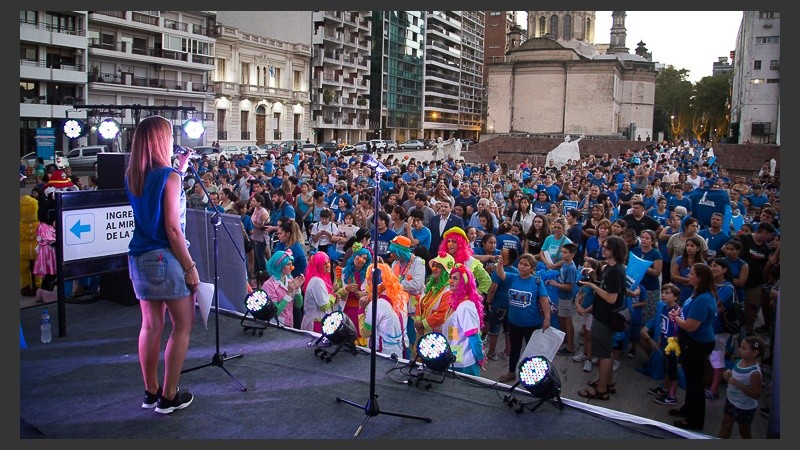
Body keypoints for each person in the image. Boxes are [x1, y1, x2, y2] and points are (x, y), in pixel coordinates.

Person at [124, 115, 198, 414]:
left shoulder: (133, 175)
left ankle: (150, 392)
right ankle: (169, 396)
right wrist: (190, 266)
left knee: (151, 325)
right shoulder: (169, 177)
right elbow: (171, 229)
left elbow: (153, 204)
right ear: (162, 140)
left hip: (138, 257)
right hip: (164, 257)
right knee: (183, 325)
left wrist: (178, 171)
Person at [668, 263, 718, 430]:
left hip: (698, 344)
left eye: (691, 274)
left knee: (695, 383)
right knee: (691, 380)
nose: (688, 276)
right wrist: (678, 313)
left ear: (700, 278)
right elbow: (687, 313)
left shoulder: (703, 299)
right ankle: (688, 408)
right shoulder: (698, 293)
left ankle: (695, 420)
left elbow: (690, 326)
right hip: (691, 341)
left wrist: (676, 319)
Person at [577, 235, 627, 401]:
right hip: (604, 315)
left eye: (606, 247)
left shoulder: (615, 271)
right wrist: (596, 279)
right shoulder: (610, 268)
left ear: (615, 251)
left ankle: (601, 390)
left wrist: (592, 285)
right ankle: (608, 382)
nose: (602, 249)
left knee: (603, 355)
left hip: (605, 317)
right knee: (608, 352)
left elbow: (611, 298)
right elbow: (606, 287)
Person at [495, 252, 551, 384]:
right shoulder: (512, 278)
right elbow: (501, 274)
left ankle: (533, 374)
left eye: (526, 265)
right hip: (514, 323)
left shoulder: (537, 282)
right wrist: (500, 263)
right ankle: (511, 372)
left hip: (532, 324)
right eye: (520, 263)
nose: (522, 267)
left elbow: (544, 301)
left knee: (532, 350)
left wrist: (547, 318)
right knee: (515, 349)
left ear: (532, 268)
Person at [442, 263, 487, 376]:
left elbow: (474, 337)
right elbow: (456, 331)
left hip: (465, 364)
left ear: (464, 283)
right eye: (451, 278)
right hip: (456, 358)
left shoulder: (466, 306)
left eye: (455, 278)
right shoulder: (457, 302)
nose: (450, 281)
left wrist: (480, 358)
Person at [358, 262, 410, 359]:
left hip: (382, 356)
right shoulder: (401, 296)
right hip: (401, 351)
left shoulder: (376, 305)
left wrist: (361, 309)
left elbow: (365, 333)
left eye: (368, 280)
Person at [717, 336, 765, 439]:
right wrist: (728, 373)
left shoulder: (754, 372)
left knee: (744, 432)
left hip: (744, 408)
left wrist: (739, 385)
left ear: (755, 353)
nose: (739, 350)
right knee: (725, 425)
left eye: (743, 348)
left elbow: (756, 395)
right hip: (731, 401)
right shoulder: (739, 361)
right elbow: (735, 374)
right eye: (740, 347)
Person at [705, 257, 737, 401]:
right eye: (710, 265)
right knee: (709, 356)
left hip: (720, 328)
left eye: (716, 266)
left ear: (724, 269)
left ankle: (714, 389)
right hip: (708, 326)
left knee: (717, 357)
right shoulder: (710, 284)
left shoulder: (727, 288)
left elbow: (714, 304)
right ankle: (708, 381)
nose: (712, 268)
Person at [388, 235, 426, 354]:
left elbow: (416, 284)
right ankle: (405, 355)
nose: (392, 255)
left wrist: (396, 283)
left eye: (395, 252)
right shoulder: (395, 264)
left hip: (413, 306)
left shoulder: (418, 262)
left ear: (401, 252)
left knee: (412, 333)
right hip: (399, 304)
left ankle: (415, 357)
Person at [413, 252, 455, 356]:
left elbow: (441, 315)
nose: (435, 269)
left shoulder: (448, 291)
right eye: (434, 266)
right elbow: (420, 305)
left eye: (439, 266)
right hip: (423, 333)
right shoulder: (430, 286)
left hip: (437, 336)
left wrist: (422, 324)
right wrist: (418, 323)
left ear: (446, 271)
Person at [335, 242, 373, 346]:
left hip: (361, 312)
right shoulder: (342, 272)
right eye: (360, 256)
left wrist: (364, 295)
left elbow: (374, 295)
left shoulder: (369, 275)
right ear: (354, 256)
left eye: (365, 258)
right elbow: (335, 292)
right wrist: (345, 289)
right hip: (345, 310)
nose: (361, 260)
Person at [572, 259, 604, 373]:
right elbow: (579, 295)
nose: (584, 270)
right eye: (583, 267)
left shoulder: (596, 283)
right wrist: (577, 306)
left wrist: (586, 311)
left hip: (591, 313)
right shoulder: (583, 280)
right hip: (583, 311)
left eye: (587, 268)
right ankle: (585, 353)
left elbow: (596, 301)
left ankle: (589, 359)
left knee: (590, 336)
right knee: (585, 333)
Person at [548, 243, 579, 355]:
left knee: (567, 320)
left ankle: (570, 346)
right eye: (562, 252)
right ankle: (565, 338)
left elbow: (569, 287)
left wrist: (555, 284)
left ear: (572, 255)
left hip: (566, 298)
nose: (562, 254)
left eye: (565, 253)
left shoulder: (570, 268)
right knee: (562, 318)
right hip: (562, 296)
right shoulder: (565, 263)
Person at [261, 250, 304, 328]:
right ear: (279, 266)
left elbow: (299, 305)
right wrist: (288, 294)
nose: (292, 267)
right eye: (288, 265)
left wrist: (298, 290)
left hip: (290, 323)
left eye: (292, 264)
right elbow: (275, 313)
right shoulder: (269, 285)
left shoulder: (290, 279)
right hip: (276, 326)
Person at [300, 252, 337, 334]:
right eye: (324, 264)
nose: (328, 266)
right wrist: (333, 294)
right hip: (316, 323)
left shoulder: (320, 279)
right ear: (317, 266)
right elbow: (324, 306)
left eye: (328, 262)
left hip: (319, 321)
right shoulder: (317, 281)